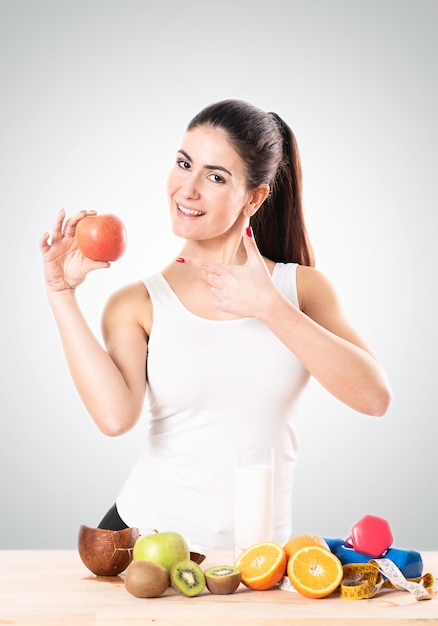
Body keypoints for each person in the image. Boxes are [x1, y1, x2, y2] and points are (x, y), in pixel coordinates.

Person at [39, 99, 392, 551]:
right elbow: (114, 418)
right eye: (184, 164)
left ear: (255, 196)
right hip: (145, 542)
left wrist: (272, 308)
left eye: (215, 176)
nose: (187, 189)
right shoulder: (138, 303)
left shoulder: (301, 289)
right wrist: (60, 293)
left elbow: (374, 397)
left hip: (258, 556)